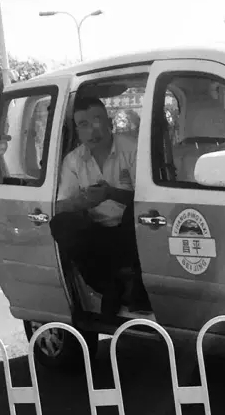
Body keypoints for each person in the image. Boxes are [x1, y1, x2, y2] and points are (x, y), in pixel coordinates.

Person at [49, 96, 151, 315]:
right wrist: (84, 201)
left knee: (138, 211)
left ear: (109, 123)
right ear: (78, 131)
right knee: (61, 223)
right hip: (98, 232)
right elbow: (61, 206)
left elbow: (148, 199)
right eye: (83, 124)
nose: (92, 130)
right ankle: (109, 287)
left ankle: (136, 287)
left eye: (97, 120)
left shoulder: (132, 149)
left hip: (133, 233)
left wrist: (110, 193)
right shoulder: (73, 161)